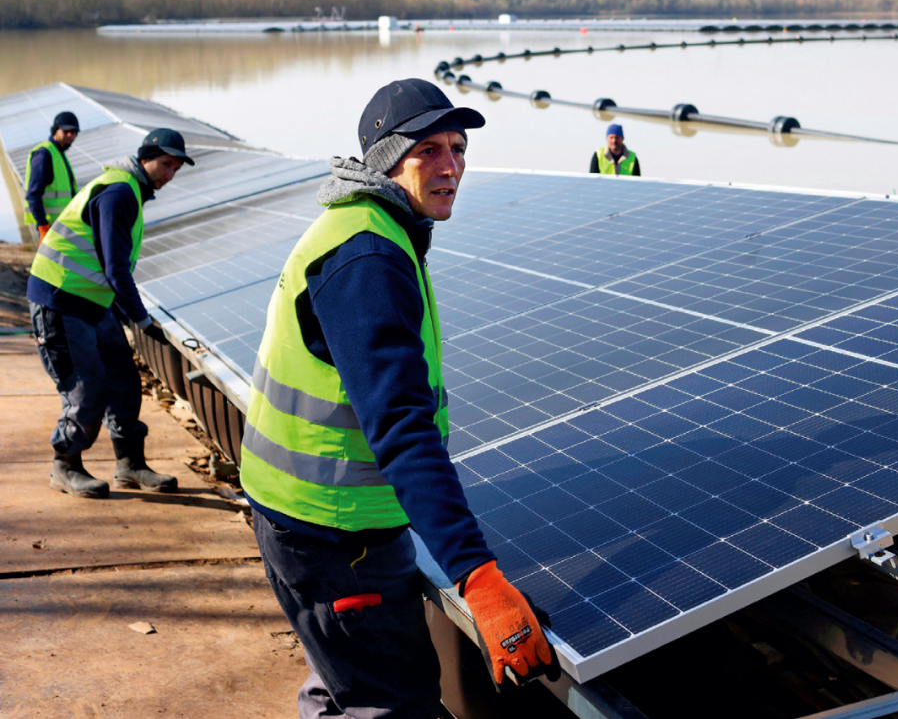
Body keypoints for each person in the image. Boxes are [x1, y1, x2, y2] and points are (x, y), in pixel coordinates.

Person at [240, 78, 557, 718]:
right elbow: (401, 427)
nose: (451, 166)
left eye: (458, 148)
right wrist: (479, 578)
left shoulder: (368, 227)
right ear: (386, 158)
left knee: (343, 682)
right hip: (335, 539)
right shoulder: (368, 256)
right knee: (394, 702)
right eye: (429, 151)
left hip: (313, 522)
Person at [27, 128, 195, 499]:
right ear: (146, 157)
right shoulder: (119, 193)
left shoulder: (131, 190)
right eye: (165, 164)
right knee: (87, 388)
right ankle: (65, 465)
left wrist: (126, 313)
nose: (170, 174)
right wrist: (143, 320)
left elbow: (109, 269)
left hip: (92, 301)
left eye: (176, 168)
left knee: (122, 378)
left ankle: (130, 465)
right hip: (60, 300)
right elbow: (115, 268)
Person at [23, 111, 81, 241]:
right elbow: (33, 195)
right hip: (50, 227)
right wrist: (42, 226)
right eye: (66, 131)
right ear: (55, 130)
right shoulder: (44, 154)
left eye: (74, 132)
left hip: (62, 225)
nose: (70, 135)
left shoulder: (58, 153)